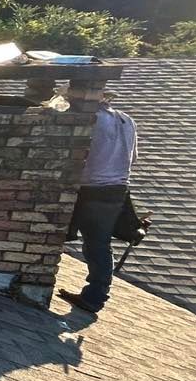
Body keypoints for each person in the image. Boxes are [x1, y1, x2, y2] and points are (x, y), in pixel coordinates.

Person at [58, 98, 137, 315]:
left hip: (93, 187)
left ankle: (95, 296)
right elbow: (133, 159)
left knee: (94, 245)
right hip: (118, 189)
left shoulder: (92, 119)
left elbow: (75, 153)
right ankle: (96, 294)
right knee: (100, 243)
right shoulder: (127, 120)